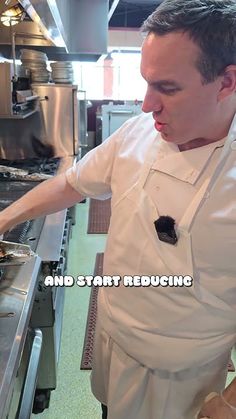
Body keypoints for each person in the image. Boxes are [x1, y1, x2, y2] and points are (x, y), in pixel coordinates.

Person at [0, 0, 236, 417]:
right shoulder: (141, 131)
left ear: (227, 82)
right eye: (146, 83)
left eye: (168, 88)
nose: (147, 106)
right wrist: (3, 218)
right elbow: (73, 183)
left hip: (179, 380)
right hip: (112, 335)